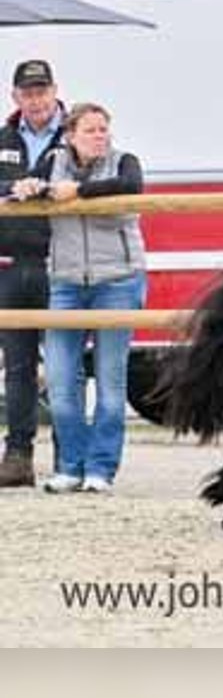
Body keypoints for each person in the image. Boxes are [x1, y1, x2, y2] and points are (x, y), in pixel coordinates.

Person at [18, 103, 147, 493]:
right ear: (70, 135)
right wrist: (25, 188)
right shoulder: (52, 162)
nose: (99, 136)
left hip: (119, 281)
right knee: (59, 380)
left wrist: (79, 191)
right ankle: (70, 466)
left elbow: (130, 187)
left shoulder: (125, 161)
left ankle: (101, 469)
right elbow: (19, 186)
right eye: (90, 130)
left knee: (110, 380)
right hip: (66, 283)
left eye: (103, 129)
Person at [0, 60, 66, 488]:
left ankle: (69, 453)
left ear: (55, 91)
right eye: (28, 92)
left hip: (58, 263)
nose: (36, 99)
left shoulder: (75, 137)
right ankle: (18, 454)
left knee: (63, 364)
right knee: (18, 365)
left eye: (42, 90)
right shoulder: (2, 139)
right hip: (9, 265)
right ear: (15, 97)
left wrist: (38, 187)